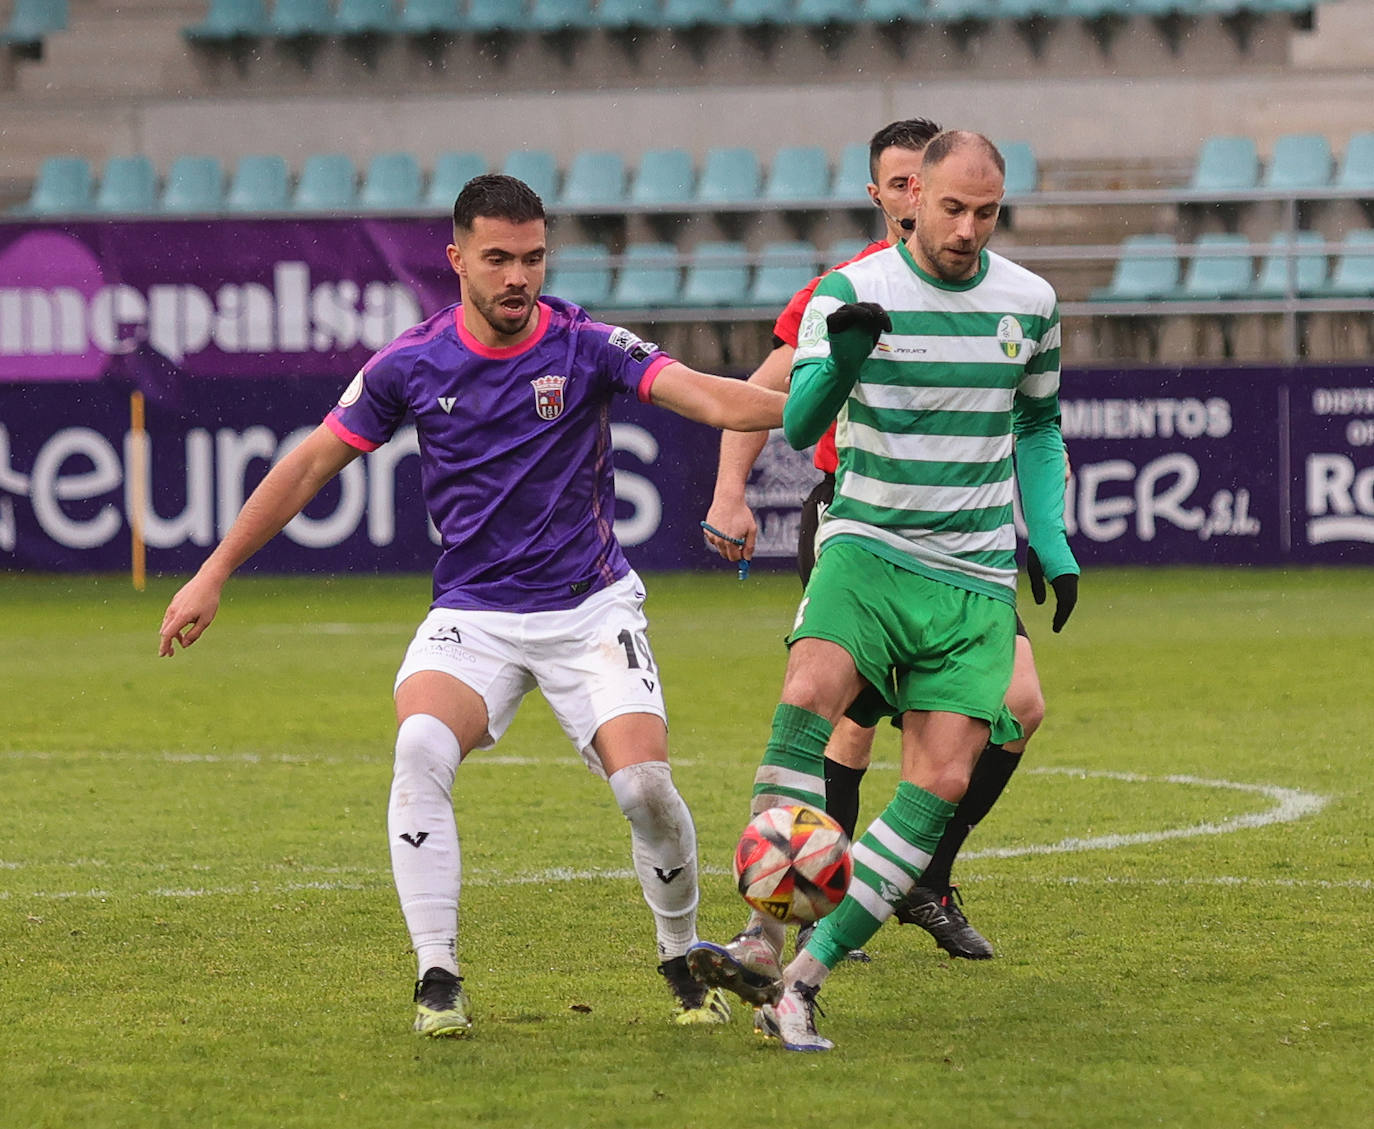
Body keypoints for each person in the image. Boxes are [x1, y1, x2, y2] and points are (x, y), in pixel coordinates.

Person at [157, 174, 786, 1038]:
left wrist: (817, 406)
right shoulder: (410, 364)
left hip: (590, 608)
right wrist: (215, 569)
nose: (517, 277)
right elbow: (308, 465)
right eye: (497, 259)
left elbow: (712, 397)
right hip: (475, 613)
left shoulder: (589, 345)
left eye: (531, 258)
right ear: (457, 259)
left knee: (644, 788)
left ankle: (680, 957)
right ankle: (437, 977)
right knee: (418, 744)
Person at [688, 132, 1079, 1052]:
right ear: (911, 199)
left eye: (986, 213)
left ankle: (802, 980)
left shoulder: (1031, 301)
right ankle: (760, 927)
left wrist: (1052, 538)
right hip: (865, 545)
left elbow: (1039, 423)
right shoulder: (849, 292)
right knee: (808, 701)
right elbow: (801, 418)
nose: (968, 229)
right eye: (951, 208)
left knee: (941, 777)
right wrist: (843, 363)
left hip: (973, 574)